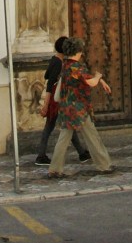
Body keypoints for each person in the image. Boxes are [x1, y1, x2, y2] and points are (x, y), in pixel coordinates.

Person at [48, 37, 114, 178]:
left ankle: (54, 169)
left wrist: (99, 80)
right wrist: (98, 77)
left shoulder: (65, 65)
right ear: (78, 51)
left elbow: (83, 77)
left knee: (63, 139)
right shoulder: (76, 67)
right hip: (78, 110)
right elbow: (90, 82)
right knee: (92, 137)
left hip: (66, 108)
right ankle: (104, 165)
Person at [35, 36, 90, 165]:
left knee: (67, 126)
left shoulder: (57, 61)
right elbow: (51, 85)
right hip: (56, 101)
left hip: (56, 100)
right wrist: (46, 105)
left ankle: (82, 153)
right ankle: (41, 156)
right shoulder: (58, 63)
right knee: (52, 127)